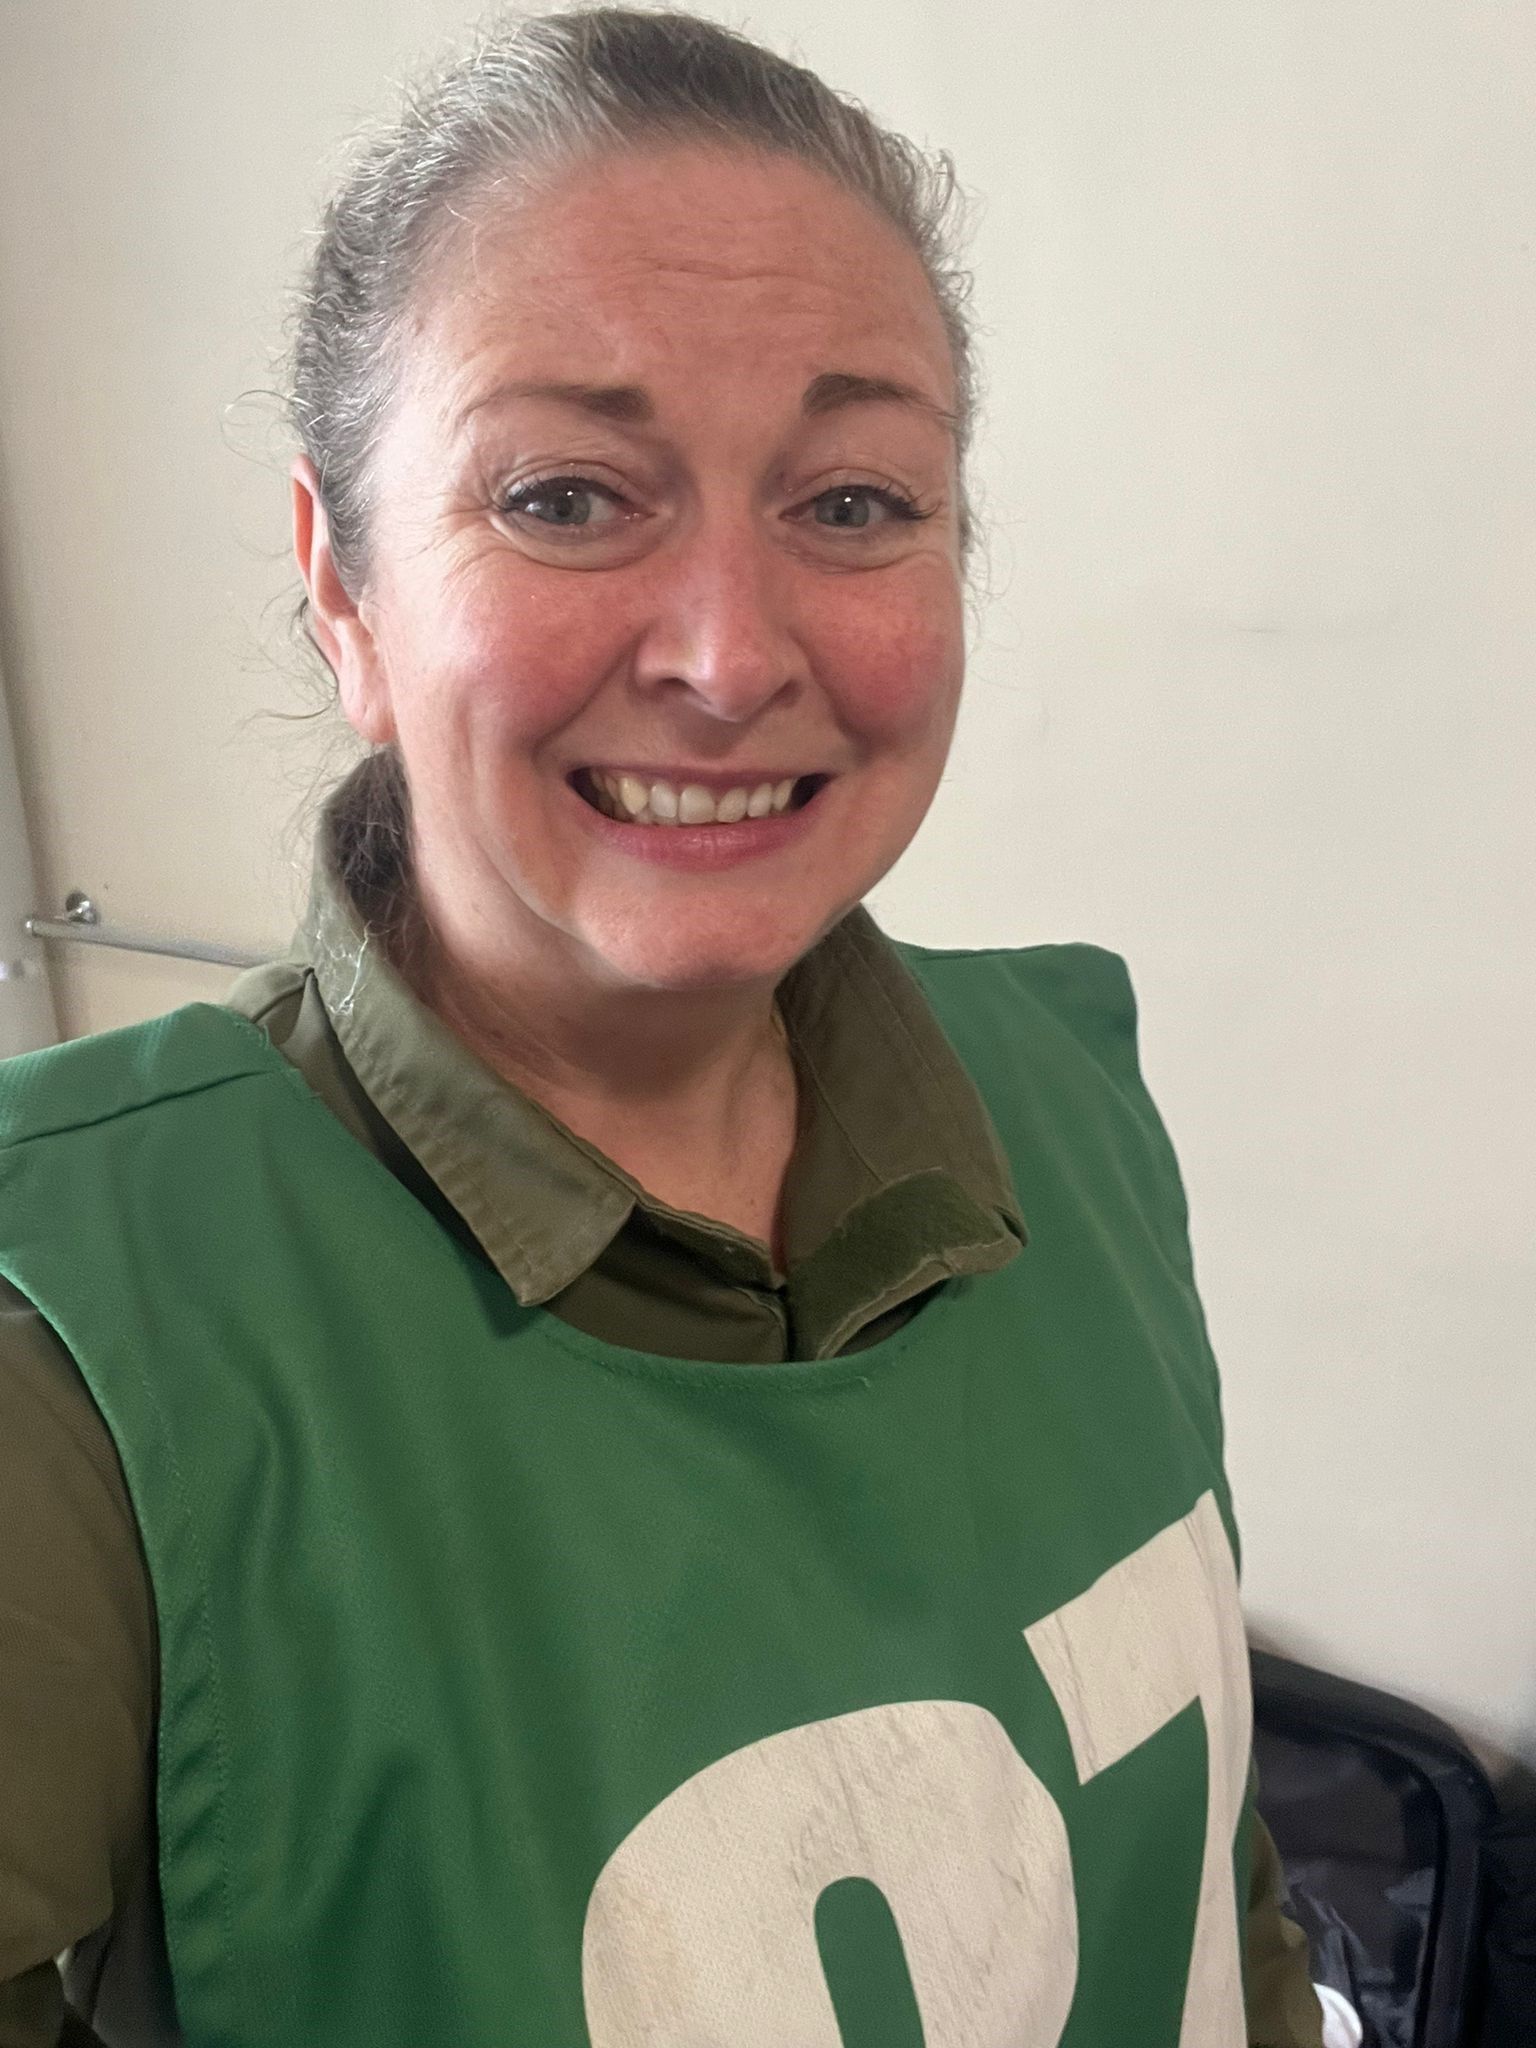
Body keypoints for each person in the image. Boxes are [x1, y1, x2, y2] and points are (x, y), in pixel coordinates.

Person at [0, 9, 1326, 2044]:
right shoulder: (76, 1351)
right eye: (563, 495)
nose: (726, 655)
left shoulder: (1069, 1098)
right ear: (342, 585)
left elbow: (1213, 1871)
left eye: (857, 502)